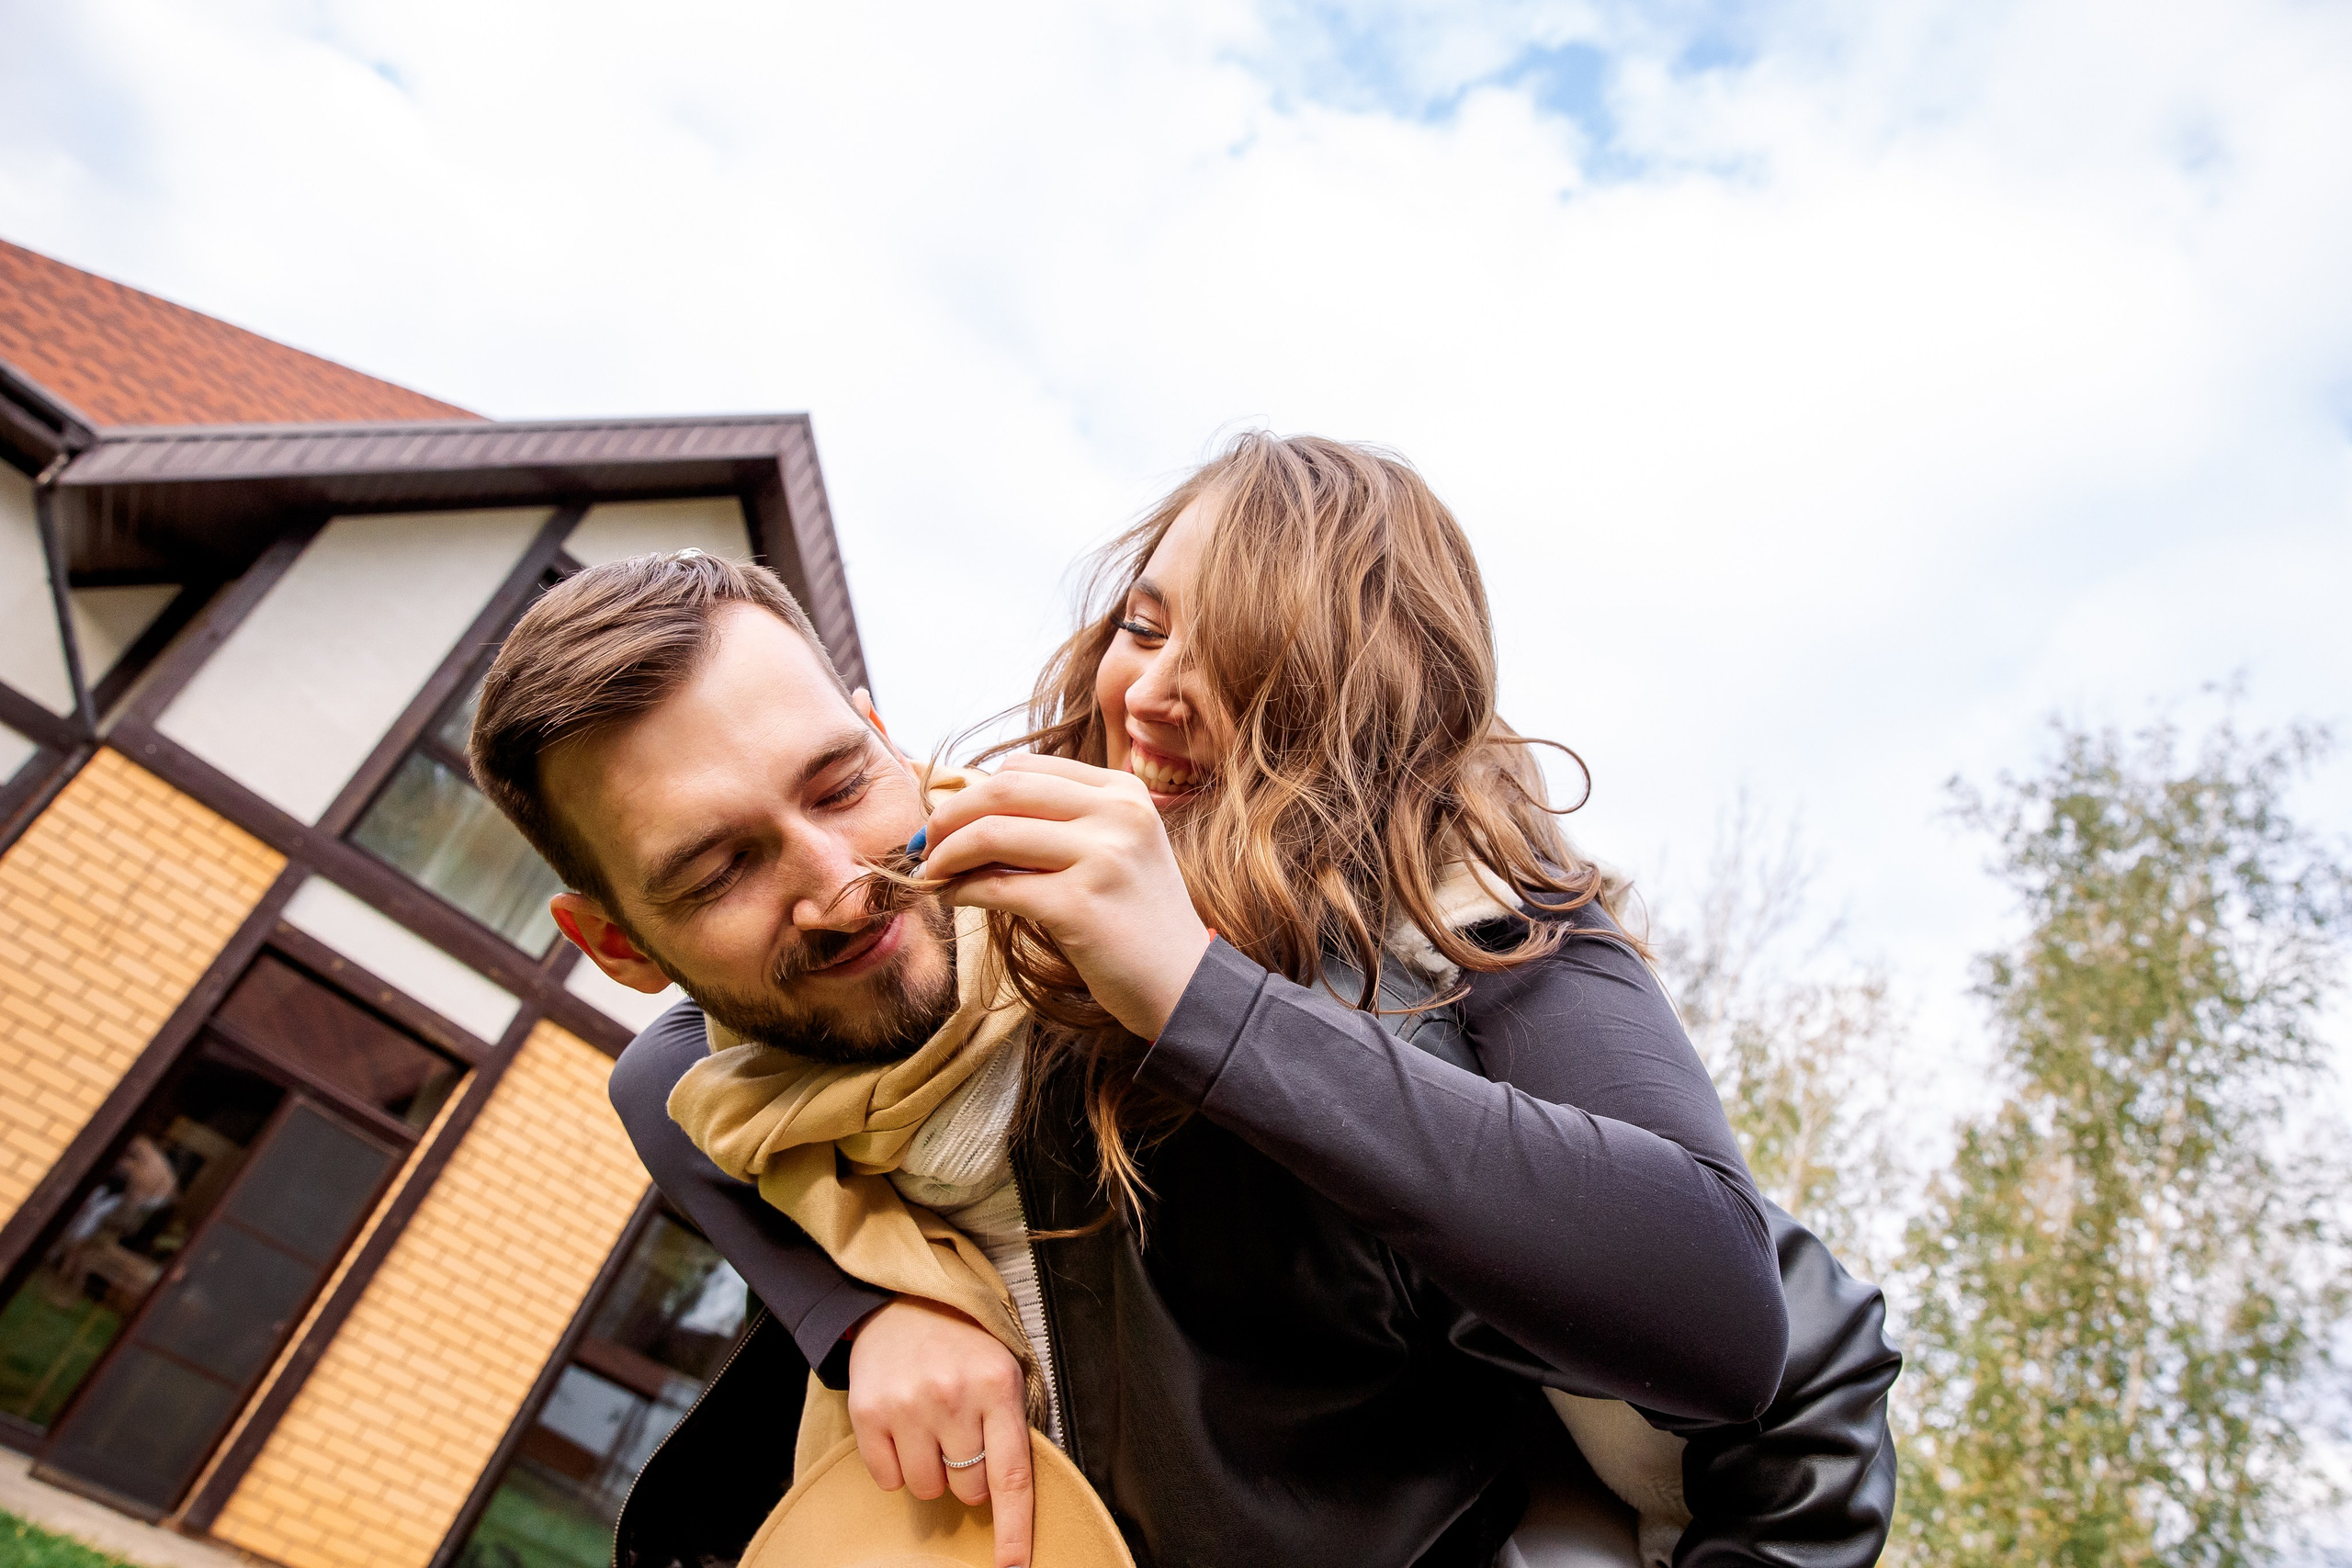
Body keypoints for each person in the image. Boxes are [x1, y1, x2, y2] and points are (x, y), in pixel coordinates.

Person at [468, 435, 1899, 1568]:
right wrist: (859, 1315)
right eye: (1142, 627)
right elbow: (669, 1079)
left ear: (1373, 711)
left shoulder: (1472, 949)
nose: (1152, 694)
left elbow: (1752, 1333)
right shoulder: (982, 887)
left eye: (1254, 670)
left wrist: (1196, 996)